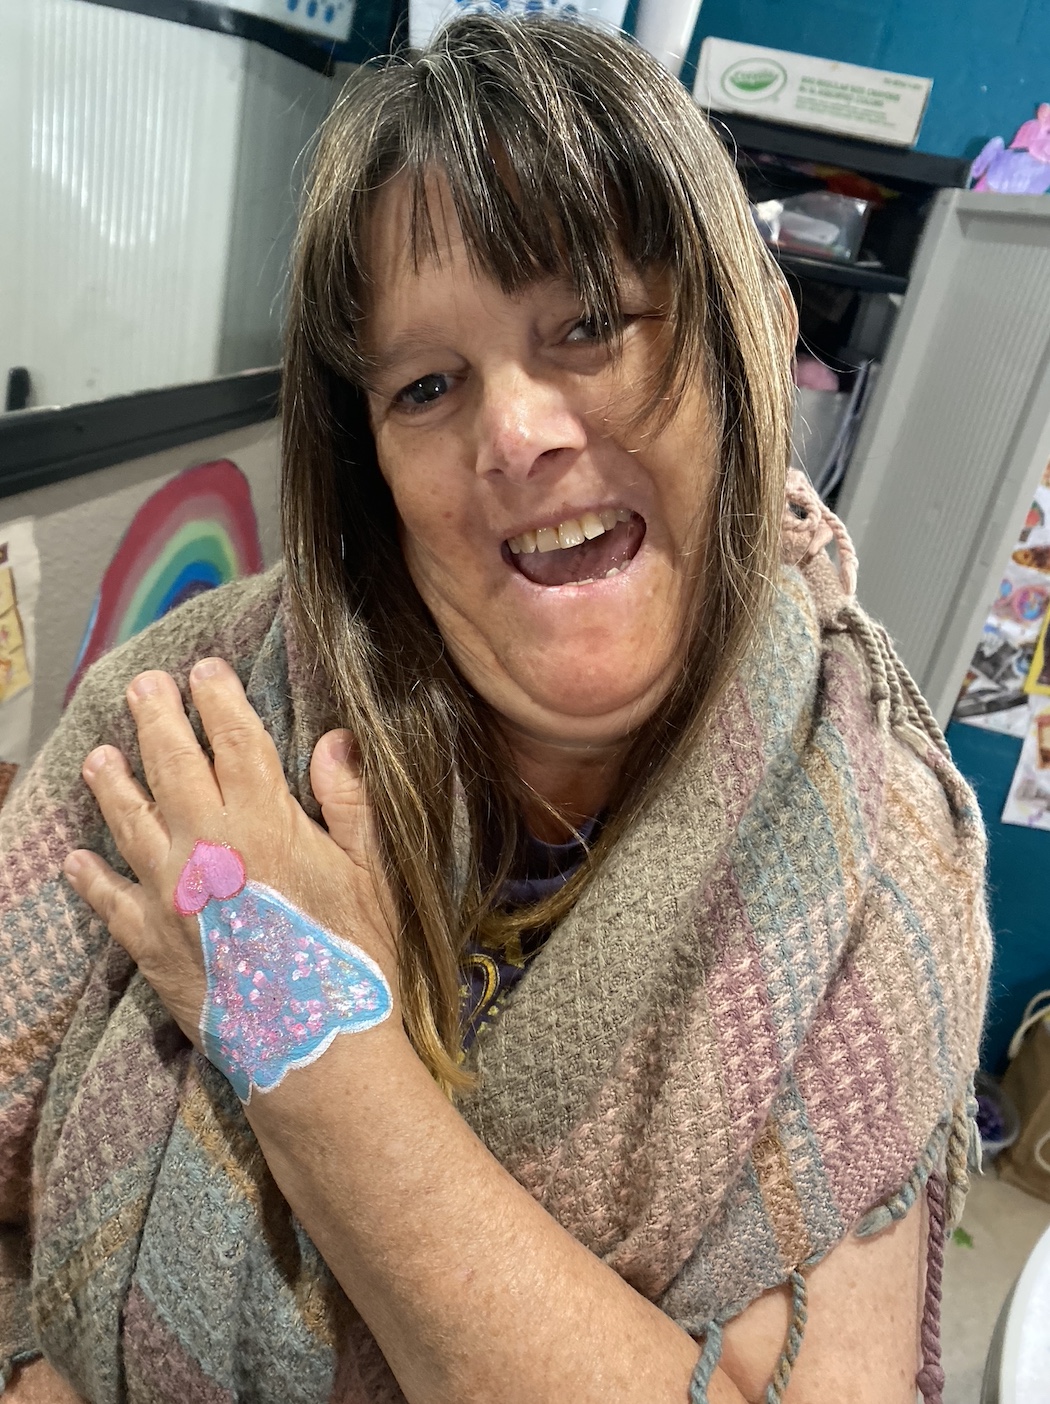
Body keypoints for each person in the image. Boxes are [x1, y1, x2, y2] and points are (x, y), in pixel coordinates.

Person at [0, 14, 989, 1404]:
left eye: (588, 323)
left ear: (750, 342)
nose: (516, 433)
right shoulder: (193, 709)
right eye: (425, 385)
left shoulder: (878, 855)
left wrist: (305, 1037)